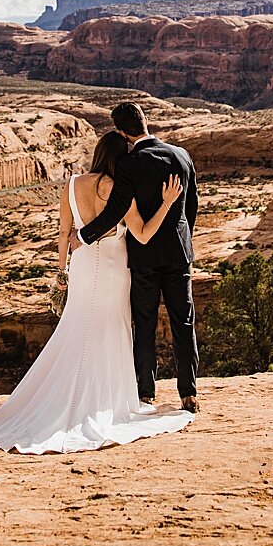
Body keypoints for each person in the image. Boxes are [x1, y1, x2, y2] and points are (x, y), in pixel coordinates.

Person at [0, 128, 193, 453]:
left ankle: (61, 401)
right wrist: (166, 204)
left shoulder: (72, 184)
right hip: (113, 270)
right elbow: (144, 235)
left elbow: (64, 233)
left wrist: (61, 272)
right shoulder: (120, 188)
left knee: (77, 328)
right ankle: (104, 402)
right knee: (110, 330)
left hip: (80, 266)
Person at [71, 102, 201, 413]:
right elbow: (192, 204)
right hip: (178, 253)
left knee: (145, 323)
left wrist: (83, 237)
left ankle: (146, 392)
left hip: (143, 256)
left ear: (120, 131)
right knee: (184, 321)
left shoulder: (129, 164)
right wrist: (184, 240)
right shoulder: (180, 155)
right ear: (144, 122)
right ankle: (189, 393)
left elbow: (115, 212)